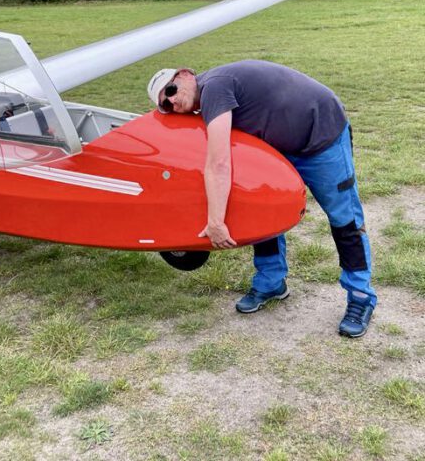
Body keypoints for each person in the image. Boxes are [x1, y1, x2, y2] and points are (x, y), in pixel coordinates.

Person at [147, 60, 376, 338]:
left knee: (344, 219)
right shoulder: (205, 100)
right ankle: (270, 282)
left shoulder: (214, 88)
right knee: (262, 208)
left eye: (171, 90)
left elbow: (218, 163)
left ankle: (360, 297)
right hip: (280, 144)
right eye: (166, 105)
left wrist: (215, 222)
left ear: (185, 74)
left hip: (321, 136)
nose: (172, 101)